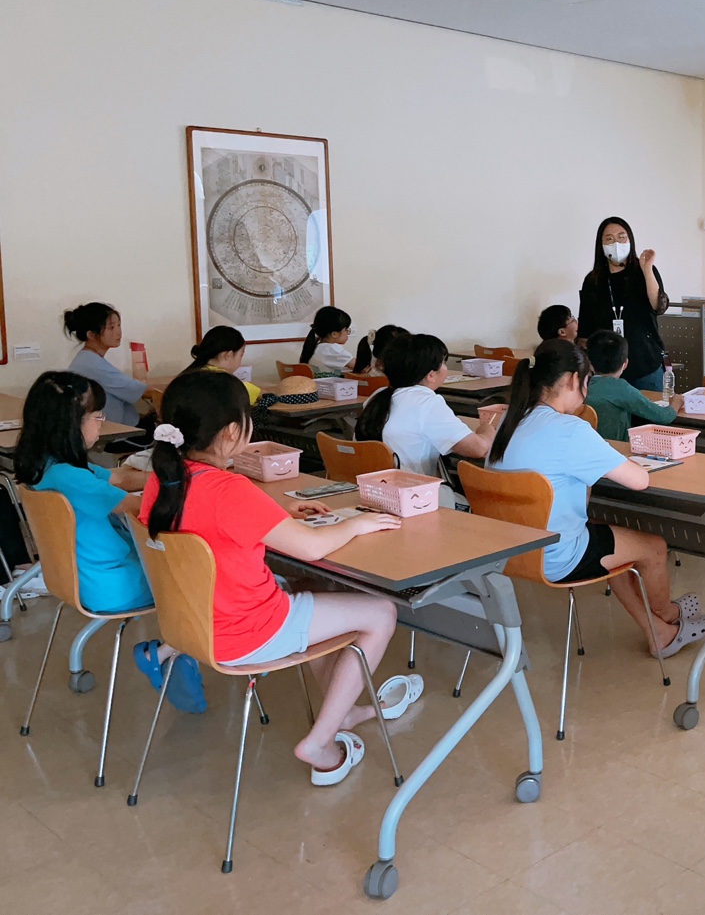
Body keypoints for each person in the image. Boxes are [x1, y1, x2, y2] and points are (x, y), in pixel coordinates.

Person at [140, 368, 412, 784]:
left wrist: (278, 516)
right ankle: (319, 742)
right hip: (249, 631)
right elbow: (312, 547)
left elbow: (214, 526)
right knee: (381, 614)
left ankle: (345, 709)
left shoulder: (164, 480)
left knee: (314, 587)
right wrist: (357, 524)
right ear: (232, 431)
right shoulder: (229, 489)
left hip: (194, 626)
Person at [488, 339, 705, 658]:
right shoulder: (569, 429)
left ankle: (657, 630)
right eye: (586, 381)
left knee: (613, 543)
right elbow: (639, 480)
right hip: (557, 556)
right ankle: (668, 617)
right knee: (654, 547)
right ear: (570, 380)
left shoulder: (507, 425)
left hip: (510, 551)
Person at [15, 371, 206, 712]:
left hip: (76, 577)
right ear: (71, 423)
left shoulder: (49, 468)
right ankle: (167, 652)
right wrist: (190, 480)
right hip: (111, 584)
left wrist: (169, 474)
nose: (101, 424)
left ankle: (174, 652)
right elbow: (139, 506)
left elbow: (119, 476)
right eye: (97, 417)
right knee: (202, 578)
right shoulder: (73, 479)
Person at [354, 333, 494, 506]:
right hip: (417, 500)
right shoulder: (426, 402)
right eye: (443, 362)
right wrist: (487, 428)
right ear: (430, 375)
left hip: (375, 495)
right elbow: (478, 449)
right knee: (484, 506)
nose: (445, 367)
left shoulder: (376, 397)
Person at [577, 217, 669, 391]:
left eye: (621, 237)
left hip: (645, 362)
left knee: (651, 416)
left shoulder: (644, 271)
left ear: (630, 240)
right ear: (601, 244)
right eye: (609, 239)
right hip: (606, 369)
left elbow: (659, 306)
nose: (616, 243)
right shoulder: (593, 280)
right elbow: (585, 329)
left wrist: (647, 269)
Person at [64, 302, 147, 428]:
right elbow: (135, 389)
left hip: (120, 424)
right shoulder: (91, 364)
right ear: (91, 335)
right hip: (114, 433)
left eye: (119, 325)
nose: (119, 331)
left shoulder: (88, 359)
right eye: (111, 327)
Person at [584, 330, 678, 440]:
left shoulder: (580, 388)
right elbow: (663, 416)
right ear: (625, 364)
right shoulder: (622, 389)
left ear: (589, 364)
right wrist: (677, 402)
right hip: (618, 450)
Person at [185, 326, 262, 405]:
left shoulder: (189, 375)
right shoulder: (228, 385)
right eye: (241, 355)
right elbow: (250, 393)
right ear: (228, 355)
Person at [299, 306, 354, 374]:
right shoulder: (332, 349)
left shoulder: (315, 347)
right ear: (334, 334)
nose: (348, 333)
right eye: (346, 330)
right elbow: (362, 367)